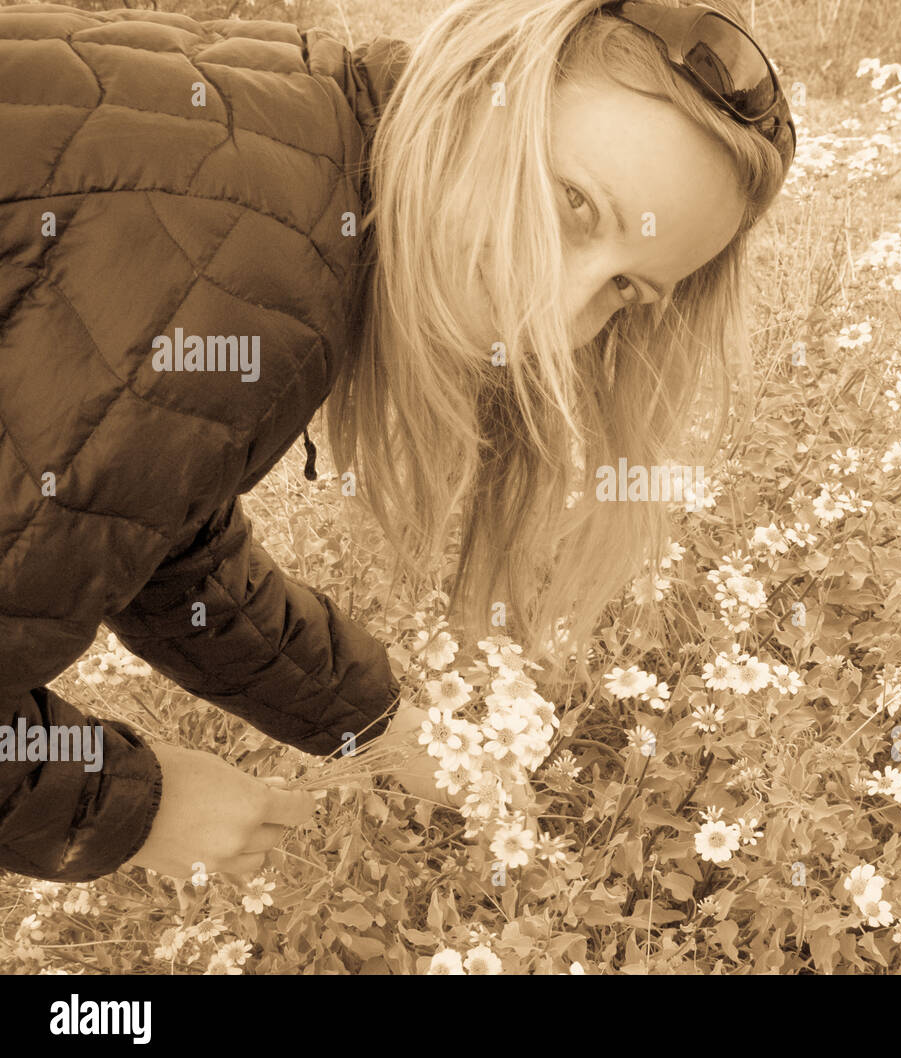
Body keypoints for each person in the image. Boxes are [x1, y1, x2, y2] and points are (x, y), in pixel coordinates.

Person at [0, 0, 794, 883]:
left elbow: (140, 518)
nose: (553, 317)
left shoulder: (295, 138)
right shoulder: (253, 271)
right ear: (480, 93)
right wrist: (131, 809)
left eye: (626, 291)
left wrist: (373, 720)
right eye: (570, 203)